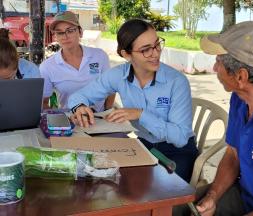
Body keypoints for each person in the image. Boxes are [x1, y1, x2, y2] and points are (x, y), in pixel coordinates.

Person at [68, 19, 198, 182]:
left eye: (157, 44)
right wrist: (79, 107)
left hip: (177, 151)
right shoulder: (118, 75)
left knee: (163, 192)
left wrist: (140, 114)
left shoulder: (177, 81)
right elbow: (78, 96)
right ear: (126, 54)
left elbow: (180, 137)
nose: (155, 53)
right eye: (146, 50)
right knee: (108, 182)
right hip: (143, 145)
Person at [193, 21, 253, 216]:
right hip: (244, 196)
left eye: (219, 61)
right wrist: (213, 196)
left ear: (241, 76)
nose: (215, 68)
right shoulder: (240, 99)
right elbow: (233, 154)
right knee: (180, 207)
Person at [39, 11, 114, 110]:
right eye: (60, 32)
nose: (65, 37)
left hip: (100, 118)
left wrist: (106, 114)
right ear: (55, 36)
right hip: (70, 120)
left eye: (70, 30)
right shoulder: (47, 67)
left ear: (80, 32)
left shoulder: (99, 56)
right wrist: (58, 119)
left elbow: (111, 89)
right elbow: (43, 103)